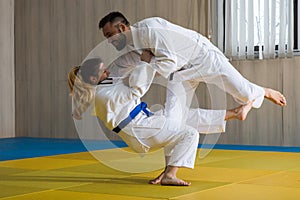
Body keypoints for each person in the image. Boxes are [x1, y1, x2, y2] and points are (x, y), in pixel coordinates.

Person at [68, 55, 254, 186]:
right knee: (189, 133)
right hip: (139, 129)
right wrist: (145, 63)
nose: (108, 71)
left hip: (142, 125)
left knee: (180, 116)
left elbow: (126, 81)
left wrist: (149, 65)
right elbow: (136, 90)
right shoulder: (103, 94)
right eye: (103, 70)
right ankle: (170, 175)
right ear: (93, 78)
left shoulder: (104, 86)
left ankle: (234, 113)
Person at [98, 11, 287, 113]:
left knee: (244, 93)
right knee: (174, 118)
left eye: (109, 35)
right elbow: (123, 65)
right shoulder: (133, 44)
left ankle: (265, 91)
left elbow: (170, 61)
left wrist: (147, 64)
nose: (108, 40)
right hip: (180, 75)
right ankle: (170, 172)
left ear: (122, 28)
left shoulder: (151, 30)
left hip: (203, 58)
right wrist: (102, 82)